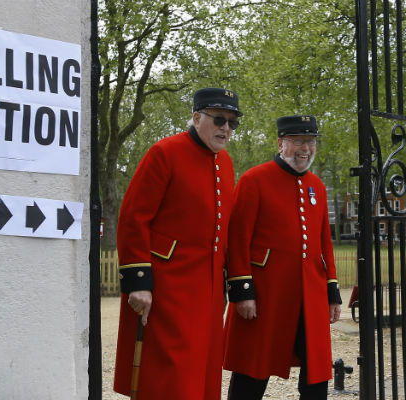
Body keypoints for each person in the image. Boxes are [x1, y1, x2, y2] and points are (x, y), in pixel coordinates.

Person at [112, 87, 241, 399]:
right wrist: (139, 282)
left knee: (203, 371)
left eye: (232, 122)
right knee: (171, 374)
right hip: (168, 287)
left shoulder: (225, 163)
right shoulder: (164, 153)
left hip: (209, 290)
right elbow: (133, 218)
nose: (226, 128)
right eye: (219, 119)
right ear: (196, 118)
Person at [223, 115, 342, 400]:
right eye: (298, 141)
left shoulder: (317, 186)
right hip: (267, 294)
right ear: (280, 144)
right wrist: (242, 291)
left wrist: (332, 291)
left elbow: (324, 243)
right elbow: (237, 239)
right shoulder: (254, 179)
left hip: (311, 296)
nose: (306, 148)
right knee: (253, 368)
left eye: (311, 141)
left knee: (316, 371)